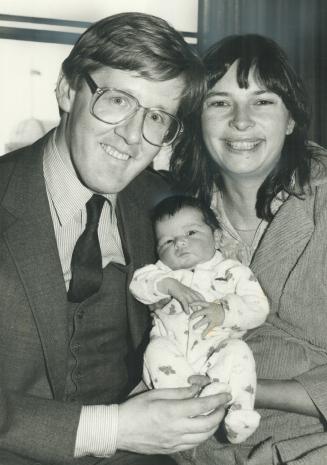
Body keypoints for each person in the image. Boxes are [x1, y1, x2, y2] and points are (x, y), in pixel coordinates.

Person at [0, 13, 232, 465]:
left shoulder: (162, 205)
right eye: (118, 100)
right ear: (68, 90)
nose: (131, 136)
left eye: (157, 116)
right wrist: (112, 428)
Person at [170, 34, 327, 465]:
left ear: (291, 119)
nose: (241, 121)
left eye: (263, 101)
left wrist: (246, 387)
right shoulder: (169, 214)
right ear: (197, 118)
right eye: (220, 103)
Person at [130, 195, 269, 444]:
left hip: (217, 350)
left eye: (191, 232)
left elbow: (258, 308)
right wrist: (169, 284)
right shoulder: (163, 273)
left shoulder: (232, 271)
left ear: (216, 237)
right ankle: (186, 406)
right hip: (173, 355)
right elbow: (138, 285)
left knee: (239, 352)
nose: (180, 243)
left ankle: (239, 412)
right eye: (168, 241)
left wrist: (224, 312)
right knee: (156, 350)